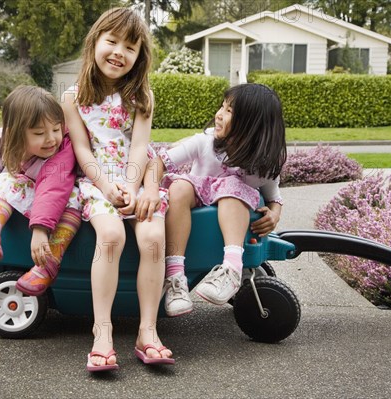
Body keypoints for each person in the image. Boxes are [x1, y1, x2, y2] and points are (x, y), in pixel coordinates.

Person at [62, 7, 173, 371]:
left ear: (140, 56)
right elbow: (81, 148)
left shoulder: (142, 96)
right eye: (111, 41)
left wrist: (132, 185)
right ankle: (103, 332)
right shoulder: (73, 97)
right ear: (95, 42)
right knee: (111, 236)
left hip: (136, 177)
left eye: (130, 46)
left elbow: (140, 146)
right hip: (98, 180)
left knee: (153, 239)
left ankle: (148, 331)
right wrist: (108, 187)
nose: (118, 52)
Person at [142, 83, 287, 317]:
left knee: (232, 186)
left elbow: (274, 197)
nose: (219, 114)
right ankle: (175, 277)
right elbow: (159, 162)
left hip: (230, 211)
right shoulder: (204, 142)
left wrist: (274, 213)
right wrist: (150, 190)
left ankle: (231, 269)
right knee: (178, 187)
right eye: (222, 106)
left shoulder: (263, 164)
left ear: (251, 125)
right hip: (196, 200)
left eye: (229, 111)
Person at [0, 85, 81, 297]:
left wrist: (41, 229)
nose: (51, 139)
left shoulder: (61, 151)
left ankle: (49, 263)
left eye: (56, 129)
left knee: (76, 198)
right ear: (15, 133)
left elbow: (54, 187)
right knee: (5, 180)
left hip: (51, 209)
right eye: (40, 133)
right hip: (20, 204)